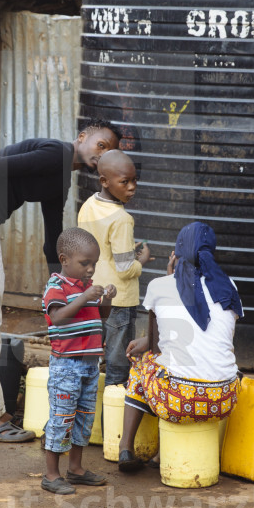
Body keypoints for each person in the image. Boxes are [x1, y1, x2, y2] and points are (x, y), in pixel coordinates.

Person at [0, 121, 121, 442]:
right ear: (82, 138)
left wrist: (62, 288)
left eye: (109, 151)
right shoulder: (57, 152)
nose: (103, 153)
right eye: (101, 145)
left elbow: (52, 241)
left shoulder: (60, 180)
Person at [118, 222, 243, 472]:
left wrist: (168, 275)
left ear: (176, 253)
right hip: (224, 400)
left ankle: (126, 447)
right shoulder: (229, 285)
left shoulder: (160, 285)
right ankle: (160, 455)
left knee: (142, 366)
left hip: (178, 401)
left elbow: (154, 346)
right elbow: (220, 338)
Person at [40, 227, 115, 494]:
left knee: (84, 417)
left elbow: (100, 316)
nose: (91, 269)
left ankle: (76, 469)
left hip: (89, 364)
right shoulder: (56, 286)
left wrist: (106, 299)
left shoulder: (85, 287)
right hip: (66, 366)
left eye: (94, 263)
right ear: (64, 259)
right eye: (85, 263)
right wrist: (84, 297)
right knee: (62, 417)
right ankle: (51, 474)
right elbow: (58, 317)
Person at [77, 149, 150, 388]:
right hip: (119, 302)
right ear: (105, 181)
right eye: (125, 182)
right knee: (118, 366)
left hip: (93, 295)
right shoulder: (122, 218)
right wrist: (141, 261)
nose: (132, 187)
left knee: (91, 358)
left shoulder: (88, 205)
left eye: (134, 180)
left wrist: (126, 250)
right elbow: (125, 269)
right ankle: (113, 420)